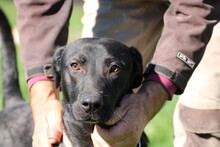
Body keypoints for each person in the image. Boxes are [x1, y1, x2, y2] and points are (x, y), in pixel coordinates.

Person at [13, 0, 220, 146]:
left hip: (203, 7)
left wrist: (148, 100)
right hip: (121, 2)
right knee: (89, 91)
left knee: (203, 115)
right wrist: (44, 94)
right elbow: (39, 4)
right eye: (76, 67)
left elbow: (197, 8)